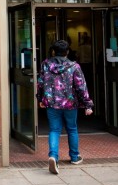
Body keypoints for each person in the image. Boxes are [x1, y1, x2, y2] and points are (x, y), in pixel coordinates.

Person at [36, 40, 93, 175]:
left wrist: (40, 99)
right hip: (70, 104)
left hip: (52, 103)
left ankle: (53, 156)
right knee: (72, 129)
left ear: (54, 51)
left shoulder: (45, 64)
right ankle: (74, 157)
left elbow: (40, 83)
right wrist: (87, 104)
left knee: (54, 130)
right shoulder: (74, 66)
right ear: (67, 52)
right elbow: (81, 87)